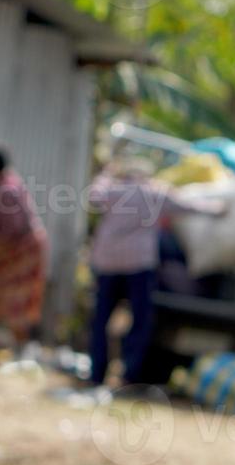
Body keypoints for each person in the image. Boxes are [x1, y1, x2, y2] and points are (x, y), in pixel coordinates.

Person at [86, 158, 223, 389]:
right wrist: (219, 209)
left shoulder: (113, 192)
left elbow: (94, 195)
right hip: (139, 265)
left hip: (107, 264)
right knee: (139, 320)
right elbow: (190, 207)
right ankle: (129, 374)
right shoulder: (155, 194)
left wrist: (105, 174)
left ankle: (97, 374)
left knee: (101, 319)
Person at [0, 148, 48, 349]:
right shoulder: (7, 180)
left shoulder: (5, 190)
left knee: (17, 301)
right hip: (17, 249)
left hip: (21, 250)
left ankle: (22, 348)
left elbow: (12, 232)